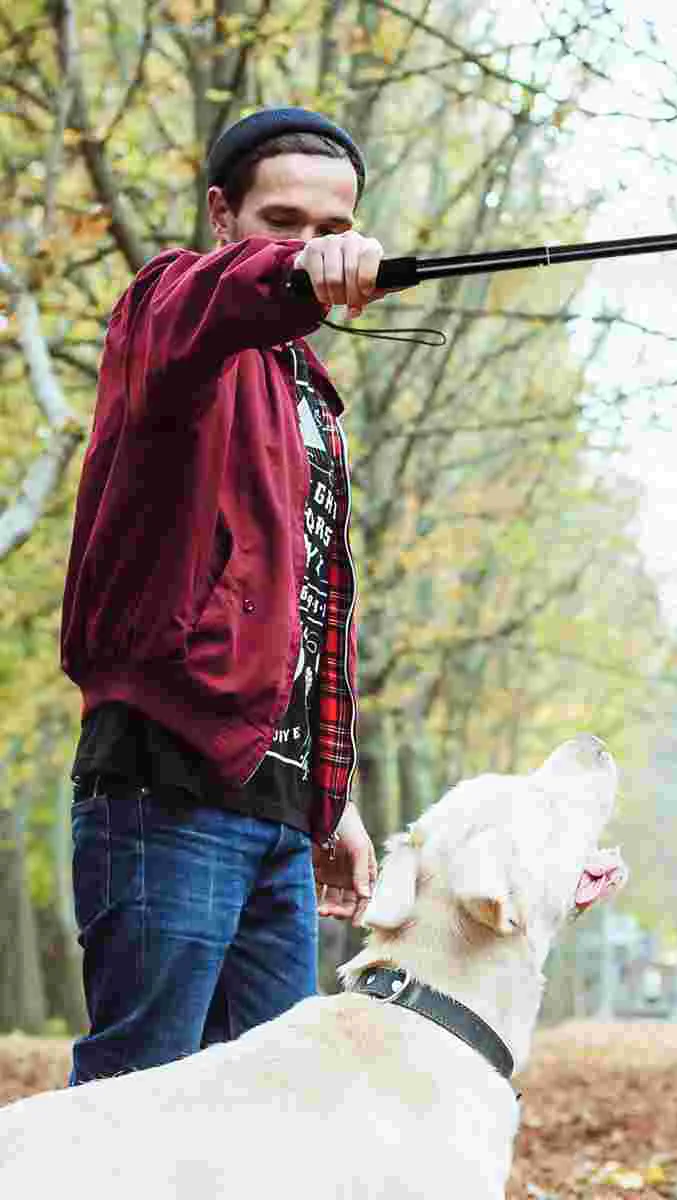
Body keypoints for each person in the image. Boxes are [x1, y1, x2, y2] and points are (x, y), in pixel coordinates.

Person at [59, 107, 387, 1084]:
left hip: (279, 814)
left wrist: (333, 798)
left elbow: (302, 607)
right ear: (221, 217)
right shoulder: (169, 317)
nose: (310, 250)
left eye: (334, 231)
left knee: (274, 1117)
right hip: (168, 788)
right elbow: (214, 301)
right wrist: (289, 275)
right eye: (283, 222)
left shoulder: (309, 395)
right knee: (138, 1106)